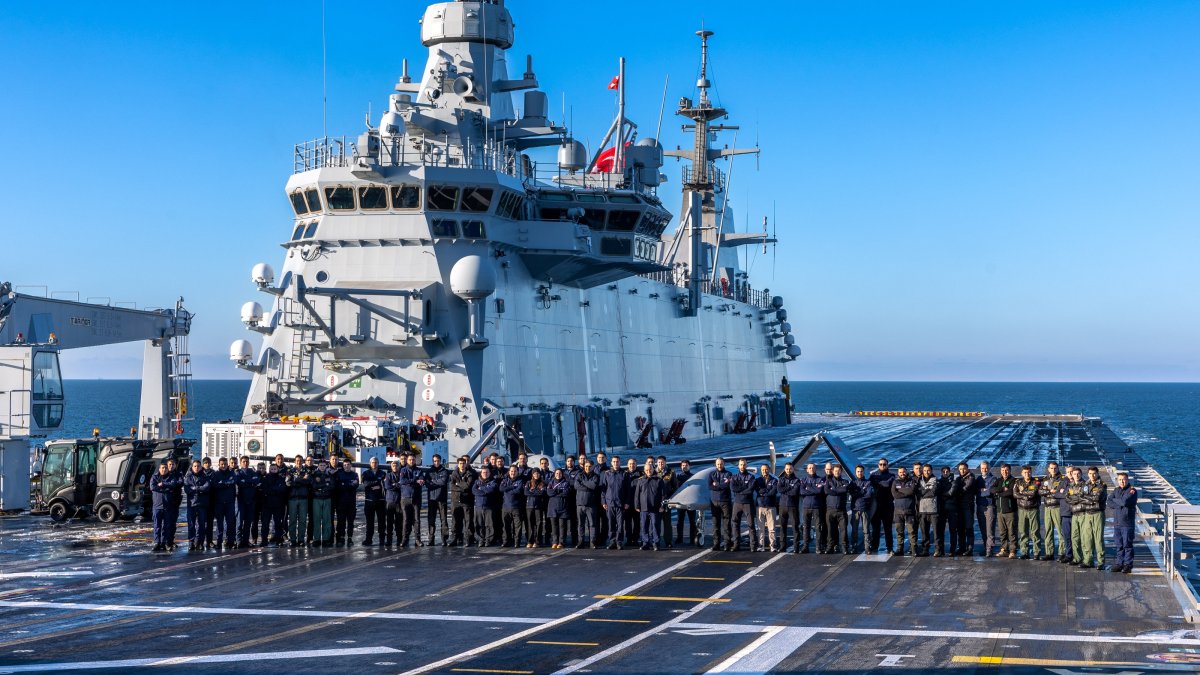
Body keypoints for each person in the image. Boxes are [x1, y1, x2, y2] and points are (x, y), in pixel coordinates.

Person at [1108, 472, 1137, 574]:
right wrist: (1118, 503)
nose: (1122, 481)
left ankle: (1128, 564)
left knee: (1127, 545)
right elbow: (1109, 501)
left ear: (1127, 480)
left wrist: (1117, 501)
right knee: (1119, 544)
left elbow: (1125, 502)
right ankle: (1119, 563)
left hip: (1127, 523)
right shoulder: (1116, 490)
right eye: (1120, 480)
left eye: (1124, 479)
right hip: (1117, 522)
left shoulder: (1132, 490)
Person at [1079, 466, 1108, 570]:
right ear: (1088, 474)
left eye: (1094, 473)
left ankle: (1101, 562)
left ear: (1097, 473)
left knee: (1098, 539)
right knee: (1087, 538)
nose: (1092, 475)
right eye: (1090, 474)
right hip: (1087, 513)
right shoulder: (1085, 484)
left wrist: (1086, 498)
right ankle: (1088, 560)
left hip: (1097, 513)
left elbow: (1097, 498)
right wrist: (1089, 499)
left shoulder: (1102, 485)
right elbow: (1079, 497)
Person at [1038, 462, 1067, 562]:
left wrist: (1051, 492)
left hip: (1057, 507)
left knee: (1060, 531)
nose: (1053, 470)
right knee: (1048, 531)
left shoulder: (1062, 479)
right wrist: (1050, 491)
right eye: (1051, 468)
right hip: (1047, 508)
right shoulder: (1045, 479)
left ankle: (1061, 553)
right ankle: (1049, 553)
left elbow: (1061, 491)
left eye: (1055, 468)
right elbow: (1040, 491)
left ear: (1058, 468)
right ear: (1048, 469)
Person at [634, 459, 665, 550]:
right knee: (644, 526)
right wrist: (637, 505)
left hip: (655, 507)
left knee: (655, 525)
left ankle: (656, 543)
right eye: (647, 470)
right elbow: (637, 495)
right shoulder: (640, 481)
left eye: (650, 469)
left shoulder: (659, 480)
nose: (648, 471)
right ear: (644, 471)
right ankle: (645, 542)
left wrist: (662, 506)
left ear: (653, 469)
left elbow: (663, 495)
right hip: (643, 508)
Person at [149, 461, 180, 552]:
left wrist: (163, 485)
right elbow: (152, 487)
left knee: (166, 526)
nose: (164, 469)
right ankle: (157, 542)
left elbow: (173, 485)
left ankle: (165, 543)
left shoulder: (171, 477)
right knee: (157, 526)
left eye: (165, 468)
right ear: (159, 469)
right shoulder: (155, 477)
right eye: (162, 468)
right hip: (157, 506)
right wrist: (165, 488)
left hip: (168, 506)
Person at [1014, 465, 1042, 560]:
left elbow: (1033, 493)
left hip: (1033, 509)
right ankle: (1024, 552)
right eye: (1025, 472)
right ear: (1022, 473)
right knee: (1023, 532)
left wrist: (1022, 494)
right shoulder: (1018, 482)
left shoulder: (1036, 482)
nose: (1027, 474)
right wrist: (1025, 495)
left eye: (1029, 472)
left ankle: (1036, 552)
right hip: (1022, 510)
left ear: (1031, 472)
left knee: (1035, 532)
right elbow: (1015, 494)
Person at [602, 458, 631, 550]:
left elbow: (628, 490)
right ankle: (612, 541)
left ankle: (619, 541)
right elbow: (603, 490)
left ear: (619, 462)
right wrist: (603, 501)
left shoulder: (624, 474)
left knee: (620, 524)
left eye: (617, 461)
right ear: (611, 463)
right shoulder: (607, 474)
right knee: (611, 523)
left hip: (620, 503)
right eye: (614, 462)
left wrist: (627, 502)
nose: (615, 463)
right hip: (610, 503)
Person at [730, 459, 759, 552]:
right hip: (737, 503)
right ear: (738, 466)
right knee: (735, 524)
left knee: (751, 525)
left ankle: (753, 546)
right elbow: (733, 488)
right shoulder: (734, 477)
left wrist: (740, 489)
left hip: (748, 503)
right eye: (741, 465)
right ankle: (736, 545)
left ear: (747, 466)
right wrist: (744, 488)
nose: (742, 466)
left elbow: (750, 490)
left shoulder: (751, 477)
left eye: (744, 465)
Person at [797, 463, 826, 554]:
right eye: (809, 468)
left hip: (817, 507)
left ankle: (818, 547)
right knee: (806, 527)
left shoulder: (820, 479)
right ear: (807, 470)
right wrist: (813, 488)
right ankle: (806, 546)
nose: (811, 469)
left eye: (812, 468)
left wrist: (808, 488)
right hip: (806, 507)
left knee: (818, 527)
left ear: (815, 469)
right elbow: (802, 491)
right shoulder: (803, 479)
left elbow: (819, 491)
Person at [869, 459, 895, 554]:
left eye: (884, 464)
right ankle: (874, 546)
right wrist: (882, 483)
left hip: (887, 506)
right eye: (881, 464)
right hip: (876, 506)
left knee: (887, 529)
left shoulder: (891, 476)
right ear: (878, 465)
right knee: (875, 529)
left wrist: (878, 483)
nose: (882, 466)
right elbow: (885, 484)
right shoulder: (873, 475)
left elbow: (887, 484)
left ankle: (890, 547)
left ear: (887, 465)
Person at [183, 460, 210, 553]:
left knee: (201, 525)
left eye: (198, 466)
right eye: (195, 466)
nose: (196, 468)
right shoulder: (188, 477)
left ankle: (200, 542)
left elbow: (207, 487)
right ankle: (191, 542)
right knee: (191, 524)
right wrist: (199, 489)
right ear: (192, 467)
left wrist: (196, 488)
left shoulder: (205, 476)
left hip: (202, 504)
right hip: (192, 504)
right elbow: (187, 489)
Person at [574, 459, 602, 549]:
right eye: (586, 466)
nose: (587, 468)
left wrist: (583, 483)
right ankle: (581, 541)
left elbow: (593, 486)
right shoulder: (579, 475)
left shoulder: (596, 476)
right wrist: (588, 486)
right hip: (580, 504)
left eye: (589, 466)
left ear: (592, 467)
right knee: (580, 524)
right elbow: (576, 486)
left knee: (592, 524)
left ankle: (592, 542)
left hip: (591, 505)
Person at [915, 464, 942, 557]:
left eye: (928, 470)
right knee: (924, 532)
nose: (927, 472)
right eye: (925, 470)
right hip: (922, 510)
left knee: (936, 532)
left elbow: (933, 492)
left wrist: (923, 493)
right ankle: (925, 549)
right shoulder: (919, 480)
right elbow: (917, 492)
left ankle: (938, 549)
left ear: (931, 471)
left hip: (933, 510)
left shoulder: (936, 480)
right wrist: (925, 491)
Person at [211, 458, 237, 550]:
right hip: (219, 503)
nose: (223, 466)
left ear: (227, 465)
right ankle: (219, 542)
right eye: (222, 464)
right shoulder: (215, 474)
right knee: (219, 525)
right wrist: (226, 483)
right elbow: (215, 485)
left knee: (230, 523)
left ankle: (230, 542)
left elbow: (233, 481)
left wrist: (223, 483)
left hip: (229, 502)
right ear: (219, 464)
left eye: (225, 464)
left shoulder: (232, 473)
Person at [450, 456, 476, 547]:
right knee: (455, 521)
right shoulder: (454, 473)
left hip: (466, 501)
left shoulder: (470, 474)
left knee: (468, 522)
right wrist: (461, 486)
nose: (462, 465)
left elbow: (467, 486)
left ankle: (468, 540)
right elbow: (452, 486)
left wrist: (458, 484)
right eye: (460, 463)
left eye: (463, 463)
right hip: (456, 500)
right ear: (458, 464)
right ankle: (454, 539)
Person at [400, 455, 426, 547]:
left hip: (416, 498)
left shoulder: (419, 470)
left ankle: (417, 539)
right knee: (406, 520)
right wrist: (415, 481)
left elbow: (422, 480)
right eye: (410, 460)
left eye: (413, 460)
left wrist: (416, 481)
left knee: (417, 520)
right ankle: (405, 539)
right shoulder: (403, 470)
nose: (411, 461)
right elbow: (402, 481)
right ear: (407, 460)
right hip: (405, 498)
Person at [824, 464, 851, 554]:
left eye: (839, 471)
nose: (837, 472)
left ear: (841, 471)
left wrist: (834, 490)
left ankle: (844, 547)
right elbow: (827, 490)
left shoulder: (845, 481)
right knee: (830, 530)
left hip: (841, 510)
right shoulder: (828, 481)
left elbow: (844, 489)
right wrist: (838, 489)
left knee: (843, 530)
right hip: (830, 510)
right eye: (835, 471)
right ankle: (830, 546)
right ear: (832, 471)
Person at [425, 454, 451, 546]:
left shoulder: (445, 471)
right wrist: (436, 482)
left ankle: (444, 539)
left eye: (438, 461)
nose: (436, 462)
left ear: (440, 461)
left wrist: (433, 482)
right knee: (431, 520)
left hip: (441, 498)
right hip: (432, 499)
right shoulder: (429, 472)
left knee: (443, 520)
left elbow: (443, 482)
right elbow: (427, 484)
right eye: (435, 461)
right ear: (433, 461)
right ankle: (431, 539)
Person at [891, 467, 917, 556]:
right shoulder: (895, 482)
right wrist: (906, 493)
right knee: (899, 532)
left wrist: (901, 492)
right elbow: (895, 494)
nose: (902, 473)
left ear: (906, 472)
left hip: (909, 511)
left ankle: (913, 550)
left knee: (912, 532)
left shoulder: (911, 481)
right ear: (898, 473)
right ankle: (900, 549)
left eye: (904, 472)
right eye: (900, 472)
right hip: (898, 512)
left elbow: (911, 491)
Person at [234, 457, 260, 548]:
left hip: (251, 500)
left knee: (248, 522)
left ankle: (246, 540)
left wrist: (246, 481)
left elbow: (256, 480)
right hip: (241, 500)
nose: (245, 463)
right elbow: (239, 482)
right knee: (239, 523)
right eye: (243, 462)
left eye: (247, 462)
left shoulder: (252, 472)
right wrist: (250, 482)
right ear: (241, 463)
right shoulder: (238, 472)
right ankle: (238, 541)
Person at [361, 457, 387, 546]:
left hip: (380, 500)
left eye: (376, 462)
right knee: (369, 522)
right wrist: (378, 482)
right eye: (372, 462)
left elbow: (385, 485)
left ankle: (382, 539)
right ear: (370, 463)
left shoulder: (383, 473)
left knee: (382, 521)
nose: (374, 464)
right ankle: (369, 539)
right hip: (369, 500)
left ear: (378, 463)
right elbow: (366, 484)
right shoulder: (365, 473)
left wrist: (378, 485)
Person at [471, 466, 500, 546]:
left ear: (489, 473)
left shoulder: (493, 482)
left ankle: (488, 540)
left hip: (489, 506)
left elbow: (490, 490)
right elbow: (474, 491)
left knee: (489, 525)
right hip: (478, 507)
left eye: (487, 472)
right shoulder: (477, 481)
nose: (485, 474)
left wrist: (481, 488)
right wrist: (484, 490)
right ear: (481, 473)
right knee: (478, 524)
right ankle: (480, 539)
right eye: (484, 472)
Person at [260, 463, 288, 546]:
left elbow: (282, 489)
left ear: (277, 469)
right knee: (265, 524)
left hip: (278, 504)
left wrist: (272, 490)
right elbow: (265, 490)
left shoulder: (281, 479)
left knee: (278, 524)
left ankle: (279, 539)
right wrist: (275, 489)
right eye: (271, 469)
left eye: (275, 469)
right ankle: (264, 540)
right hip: (267, 504)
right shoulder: (265, 479)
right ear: (269, 470)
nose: (273, 471)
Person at [849, 464, 874, 554]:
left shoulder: (868, 482)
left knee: (866, 529)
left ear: (863, 472)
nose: (860, 473)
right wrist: (862, 491)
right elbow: (852, 494)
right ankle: (854, 547)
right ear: (855, 473)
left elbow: (868, 495)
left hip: (865, 508)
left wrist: (858, 492)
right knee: (854, 530)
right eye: (858, 471)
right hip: (855, 508)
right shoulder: (853, 483)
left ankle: (867, 548)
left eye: (861, 471)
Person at [994, 464, 1018, 558]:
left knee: (1012, 532)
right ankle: (1004, 549)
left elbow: (1011, 492)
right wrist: (1002, 489)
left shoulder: (1014, 480)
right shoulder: (999, 480)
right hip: (1000, 511)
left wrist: (999, 493)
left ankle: (1013, 550)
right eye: (1003, 470)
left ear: (1010, 470)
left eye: (1006, 470)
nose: (1005, 472)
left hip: (1010, 511)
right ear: (1000, 471)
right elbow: (992, 489)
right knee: (1002, 532)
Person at [777, 463, 801, 554]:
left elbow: (795, 492)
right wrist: (789, 487)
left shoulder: (797, 480)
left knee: (795, 527)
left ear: (793, 469)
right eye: (787, 469)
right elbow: (779, 489)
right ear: (784, 469)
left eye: (790, 469)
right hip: (782, 506)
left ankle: (796, 547)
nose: (788, 470)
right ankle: (782, 546)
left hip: (792, 506)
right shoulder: (781, 479)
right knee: (782, 527)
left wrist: (785, 489)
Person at [675, 459, 700, 547]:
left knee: (692, 521)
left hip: (690, 502)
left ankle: (692, 538)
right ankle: (679, 538)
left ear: (689, 466)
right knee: (679, 521)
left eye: (686, 465)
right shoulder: (678, 477)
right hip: (681, 502)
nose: (684, 467)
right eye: (683, 465)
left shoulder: (693, 476)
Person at [975, 461, 998, 557]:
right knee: (983, 529)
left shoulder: (993, 479)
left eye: (986, 468)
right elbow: (975, 491)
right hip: (980, 506)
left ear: (989, 468)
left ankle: (989, 550)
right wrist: (982, 490)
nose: (984, 470)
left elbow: (990, 492)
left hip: (989, 506)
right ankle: (986, 547)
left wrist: (981, 491)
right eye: (982, 468)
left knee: (990, 529)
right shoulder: (979, 479)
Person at [334, 459, 359, 546]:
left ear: (351, 465)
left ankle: (350, 538)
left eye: (348, 464)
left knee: (350, 522)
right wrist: (349, 484)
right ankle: (341, 538)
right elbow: (338, 487)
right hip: (341, 502)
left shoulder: (355, 474)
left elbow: (355, 485)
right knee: (341, 521)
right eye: (345, 465)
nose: (346, 466)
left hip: (351, 502)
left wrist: (344, 484)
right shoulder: (339, 474)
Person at [500, 465, 527, 547]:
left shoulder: (520, 481)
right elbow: (501, 489)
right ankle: (506, 541)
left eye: (515, 471)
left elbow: (518, 491)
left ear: (517, 472)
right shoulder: (505, 480)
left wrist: (507, 490)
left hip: (516, 507)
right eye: (511, 471)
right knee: (505, 526)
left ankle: (517, 542)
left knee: (517, 527)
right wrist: (512, 487)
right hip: (506, 507)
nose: (513, 473)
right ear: (509, 472)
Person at [755, 464, 779, 553]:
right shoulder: (757, 480)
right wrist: (766, 491)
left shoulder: (774, 480)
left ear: (768, 469)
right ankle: (761, 545)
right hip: (760, 507)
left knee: (771, 528)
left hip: (770, 507)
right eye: (763, 470)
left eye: (766, 469)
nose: (764, 471)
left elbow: (773, 492)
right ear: (761, 470)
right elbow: (758, 490)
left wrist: (764, 493)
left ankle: (773, 545)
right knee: (760, 528)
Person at [311, 459, 335, 547]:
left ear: (326, 466)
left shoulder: (329, 474)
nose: (322, 467)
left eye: (324, 465)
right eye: (320, 465)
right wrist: (325, 485)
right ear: (318, 466)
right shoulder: (314, 474)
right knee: (316, 520)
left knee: (327, 520)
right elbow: (313, 485)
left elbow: (332, 486)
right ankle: (316, 539)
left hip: (327, 498)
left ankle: (326, 539)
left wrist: (321, 487)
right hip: (317, 498)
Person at [955, 463, 977, 556]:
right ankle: (961, 547)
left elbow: (964, 488)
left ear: (967, 469)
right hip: (959, 506)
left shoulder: (971, 477)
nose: (962, 471)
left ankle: (969, 548)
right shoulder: (958, 478)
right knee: (960, 529)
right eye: (960, 469)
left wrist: (956, 490)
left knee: (969, 528)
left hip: (968, 506)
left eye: (964, 469)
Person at [547, 468, 572, 549]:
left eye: (560, 473)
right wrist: (559, 491)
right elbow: (549, 492)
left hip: (563, 507)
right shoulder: (551, 482)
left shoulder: (566, 483)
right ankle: (554, 542)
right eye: (557, 473)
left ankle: (561, 542)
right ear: (554, 474)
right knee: (554, 526)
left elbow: (566, 493)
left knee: (562, 526)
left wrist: (556, 492)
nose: (558, 475)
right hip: (553, 507)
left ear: (562, 474)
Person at [940, 466, 961, 557]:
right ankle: (941, 550)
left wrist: (942, 495)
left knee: (953, 530)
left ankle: (952, 550)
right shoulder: (939, 481)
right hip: (942, 509)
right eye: (943, 471)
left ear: (949, 472)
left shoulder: (954, 481)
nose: (945, 473)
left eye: (947, 471)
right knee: (941, 530)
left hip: (952, 508)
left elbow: (951, 492)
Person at [656, 457, 677, 548]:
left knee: (667, 523)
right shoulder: (653, 472)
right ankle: (656, 541)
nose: (661, 464)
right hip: (656, 502)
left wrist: (670, 499)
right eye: (659, 462)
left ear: (665, 463)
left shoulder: (671, 472)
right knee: (656, 523)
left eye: (662, 462)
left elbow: (675, 487)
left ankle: (668, 541)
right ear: (657, 463)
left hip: (666, 502)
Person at [525, 469, 548, 548]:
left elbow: (542, 493)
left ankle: (537, 541)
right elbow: (526, 492)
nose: (536, 475)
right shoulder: (528, 483)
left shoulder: (543, 483)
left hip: (539, 506)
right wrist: (536, 492)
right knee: (530, 524)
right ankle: (530, 541)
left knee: (539, 523)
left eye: (538, 473)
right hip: (529, 506)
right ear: (532, 474)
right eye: (535, 473)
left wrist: (532, 492)